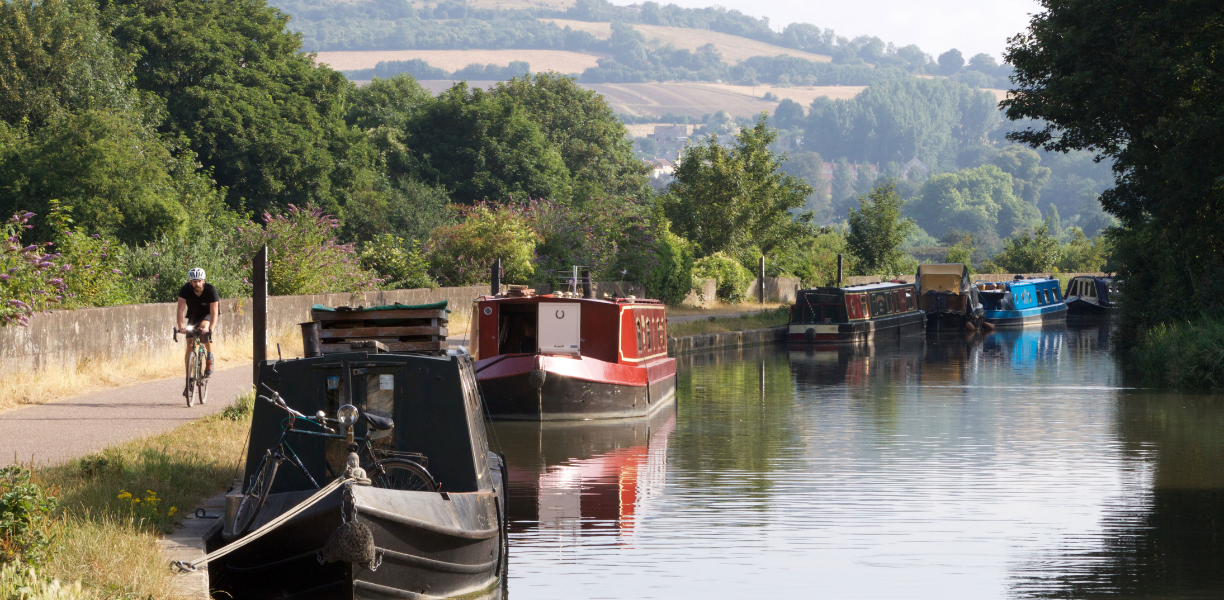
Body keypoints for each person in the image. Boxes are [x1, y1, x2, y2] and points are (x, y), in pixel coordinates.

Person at [177, 268, 220, 394]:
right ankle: (189, 380)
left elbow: (214, 312)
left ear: (203, 281)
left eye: (199, 281)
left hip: (208, 314)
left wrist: (210, 328)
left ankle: (209, 355)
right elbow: (180, 309)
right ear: (190, 282)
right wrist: (181, 326)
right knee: (189, 343)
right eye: (194, 281)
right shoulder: (185, 289)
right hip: (193, 315)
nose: (197, 284)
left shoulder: (211, 290)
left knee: (203, 329)